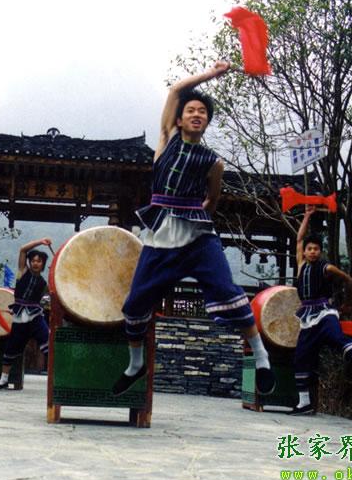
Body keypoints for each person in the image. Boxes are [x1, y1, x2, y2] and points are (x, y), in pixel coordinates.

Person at [112, 61, 276, 396]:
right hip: (160, 235)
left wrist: (194, 216)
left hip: (199, 239)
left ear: (207, 122)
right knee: (135, 304)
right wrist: (212, 75)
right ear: (179, 119)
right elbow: (176, 90)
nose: (197, 114)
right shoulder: (167, 140)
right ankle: (136, 364)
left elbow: (212, 200)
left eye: (202, 112)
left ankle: (261, 357)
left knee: (229, 292)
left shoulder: (214, 162)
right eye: (191, 110)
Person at [289, 205, 352, 415]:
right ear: (305, 251)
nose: (312, 251)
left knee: (339, 339)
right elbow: (299, 239)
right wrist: (307, 216)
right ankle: (304, 403)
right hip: (307, 317)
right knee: (300, 356)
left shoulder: (326, 267)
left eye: (316, 249)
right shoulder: (301, 265)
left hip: (324, 313)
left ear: (320, 251)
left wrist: (348, 303)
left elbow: (348, 280)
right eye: (309, 248)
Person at [0, 238, 52, 391]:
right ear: (30, 262)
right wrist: (41, 241)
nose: (36, 263)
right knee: (11, 348)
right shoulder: (22, 272)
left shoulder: (44, 283)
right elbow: (23, 249)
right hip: (19, 317)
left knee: (49, 344)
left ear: (43, 264)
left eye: (39, 261)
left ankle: (56, 380)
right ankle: (3, 380)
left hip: (35, 317)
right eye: (33, 260)